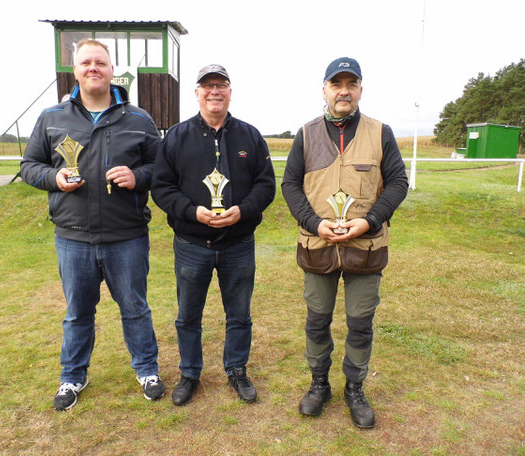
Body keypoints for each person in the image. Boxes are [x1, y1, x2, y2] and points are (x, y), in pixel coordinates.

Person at [20, 39, 165, 411]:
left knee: (135, 307)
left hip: (126, 236)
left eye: (100, 62)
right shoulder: (52, 118)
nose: (93, 68)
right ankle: (72, 377)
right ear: (75, 70)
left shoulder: (139, 119)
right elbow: (29, 167)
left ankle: (147, 369)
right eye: (86, 62)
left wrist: (137, 175)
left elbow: (161, 169)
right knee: (78, 312)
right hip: (74, 238)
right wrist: (54, 178)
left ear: (112, 69)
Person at [282, 57, 408, 428]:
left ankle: (355, 387)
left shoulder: (380, 132)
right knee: (317, 321)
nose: (344, 91)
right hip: (317, 247)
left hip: (365, 248)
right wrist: (312, 222)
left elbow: (398, 182)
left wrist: (369, 220)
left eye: (351, 84)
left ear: (360, 91)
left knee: (360, 321)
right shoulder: (305, 134)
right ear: (325, 89)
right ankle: (319, 383)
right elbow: (290, 185)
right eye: (337, 84)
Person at [151, 64, 276, 406]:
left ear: (230, 92)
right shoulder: (176, 136)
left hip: (238, 244)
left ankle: (236, 369)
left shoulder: (249, 136)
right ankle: (190, 372)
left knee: (239, 314)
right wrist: (192, 212)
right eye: (208, 86)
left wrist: (243, 211)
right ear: (197, 92)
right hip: (192, 244)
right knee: (187, 315)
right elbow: (161, 187)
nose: (214, 91)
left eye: (221, 85)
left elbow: (266, 185)